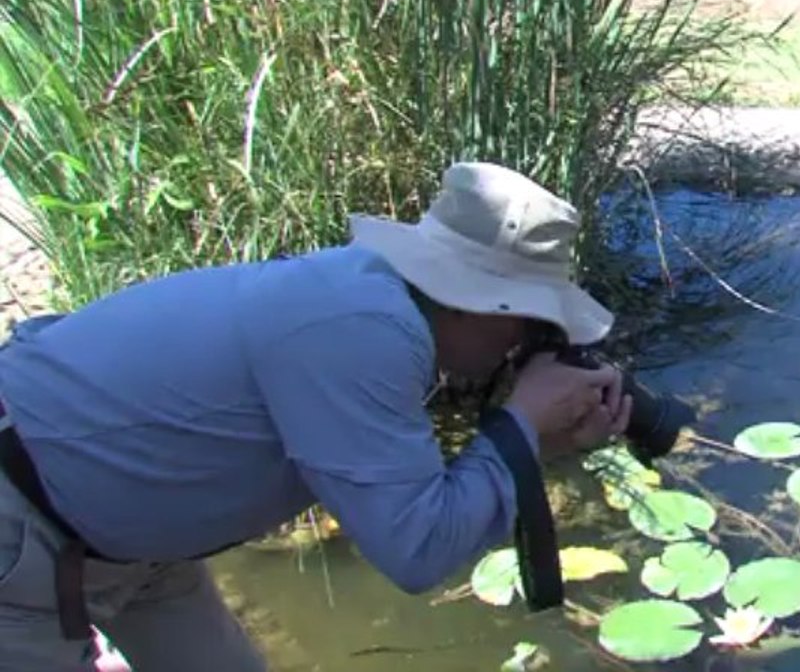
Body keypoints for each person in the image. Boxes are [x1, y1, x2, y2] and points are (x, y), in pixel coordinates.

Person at [0, 161, 633, 671]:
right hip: (22, 534)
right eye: (533, 322)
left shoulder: (372, 297)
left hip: (135, 550)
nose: (526, 345)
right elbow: (418, 552)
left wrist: (538, 440)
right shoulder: (365, 331)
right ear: (483, 304)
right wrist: (521, 423)